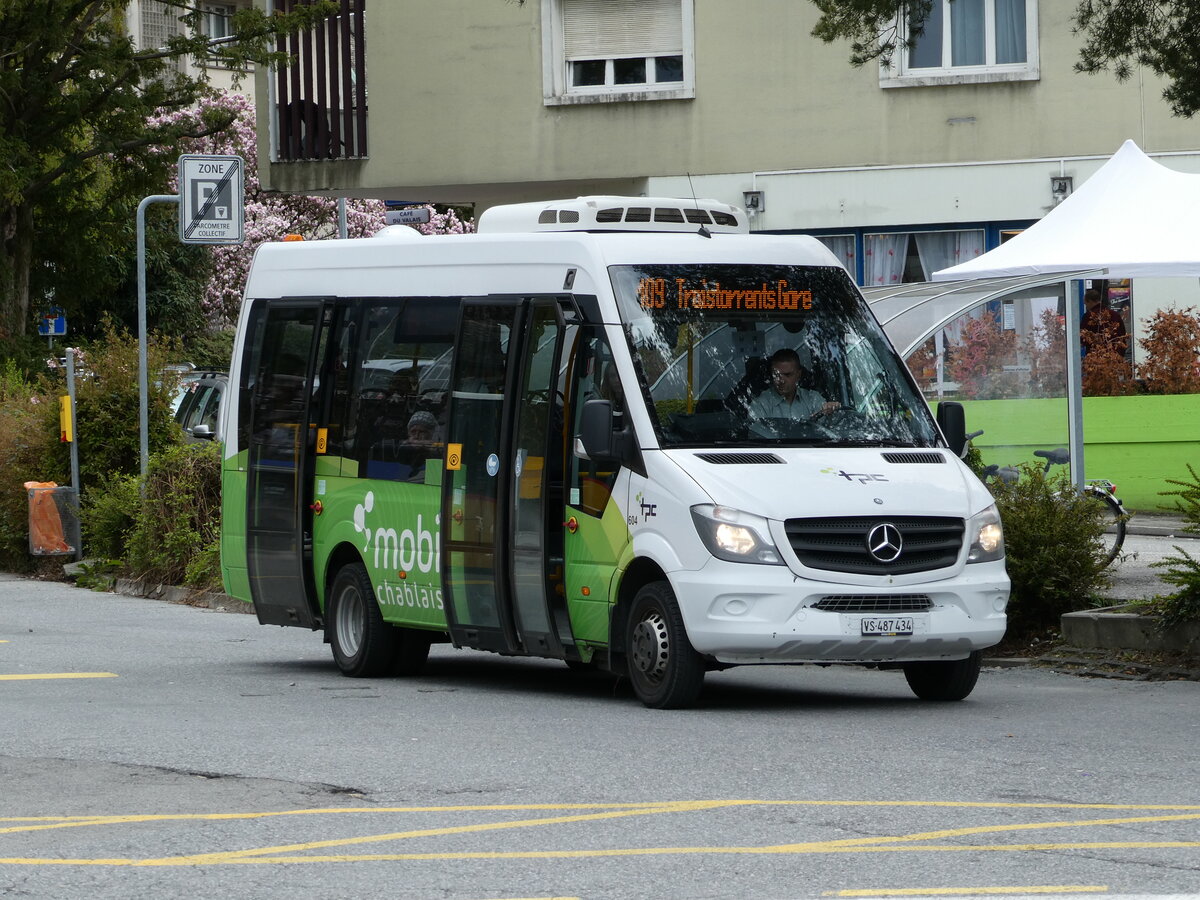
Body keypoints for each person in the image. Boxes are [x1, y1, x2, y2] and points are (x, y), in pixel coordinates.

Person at [749, 348, 840, 423]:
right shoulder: (760, 405)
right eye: (776, 375)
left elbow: (829, 428)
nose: (781, 380)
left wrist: (832, 411)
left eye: (787, 375)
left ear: (798, 374)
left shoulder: (813, 399)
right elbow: (758, 441)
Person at [1081, 288, 1128, 357]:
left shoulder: (1088, 316)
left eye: (1086, 304)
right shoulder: (1115, 314)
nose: (1086, 307)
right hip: (1115, 355)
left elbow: (1084, 337)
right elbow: (1122, 334)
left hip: (1096, 356)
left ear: (1090, 301)